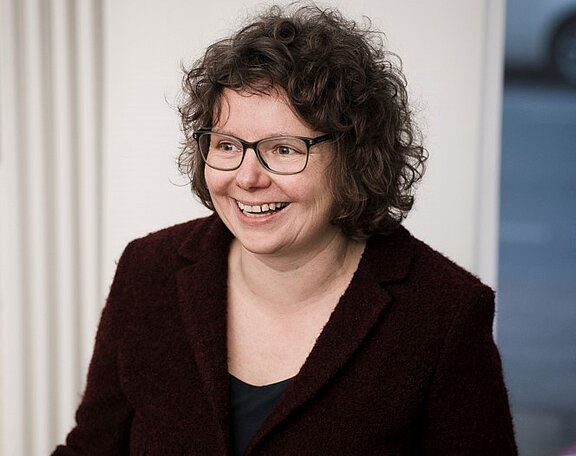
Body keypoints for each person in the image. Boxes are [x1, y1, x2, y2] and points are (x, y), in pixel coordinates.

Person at [53, 4, 518, 455]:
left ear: (354, 157)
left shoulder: (444, 314)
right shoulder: (148, 269)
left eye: (284, 149)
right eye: (227, 145)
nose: (248, 177)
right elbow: (93, 449)